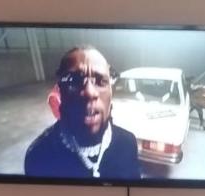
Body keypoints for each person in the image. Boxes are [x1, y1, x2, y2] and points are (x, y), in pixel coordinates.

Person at [25, 47, 141, 180]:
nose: (89, 92)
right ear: (60, 91)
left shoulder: (128, 143)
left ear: (111, 93)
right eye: (74, 81)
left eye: (100, 81)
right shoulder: (39, 155)